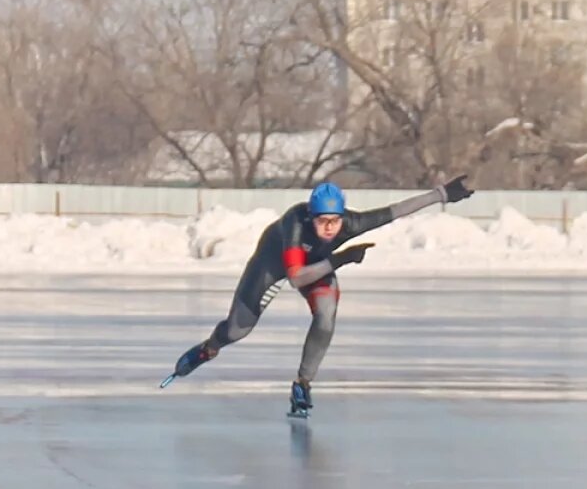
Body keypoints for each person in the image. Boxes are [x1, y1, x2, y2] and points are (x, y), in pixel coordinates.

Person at [164, 177, 474, 415]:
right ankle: (209, 347)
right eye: (322, 221)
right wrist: (340, 259)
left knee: (326, 316)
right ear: (311, 217)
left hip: (317, 267)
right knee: (237, 330)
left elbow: (392, 212)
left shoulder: (349, 224)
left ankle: (302, 384)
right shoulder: (295, 224)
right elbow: (298, 278)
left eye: (334, 221)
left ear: (342, 217)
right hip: (273, 266)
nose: (328, 228)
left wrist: (442, 195)